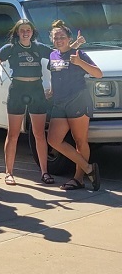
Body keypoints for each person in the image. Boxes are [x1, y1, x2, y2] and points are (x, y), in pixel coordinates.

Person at [0, 19, 54, 185]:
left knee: (39, 134)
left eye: (28, 30)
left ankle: (45, 172)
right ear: (17, 32)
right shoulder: (10, 48)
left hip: (36, 90)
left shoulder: (39, 47)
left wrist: (74, 46)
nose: (25, 33)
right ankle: (9, 173)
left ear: (32, 32)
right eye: (22, 30)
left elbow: (59, 55)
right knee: (13, 134)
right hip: (18, 89)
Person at [47, 20, 102, 192]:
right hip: (59, 102)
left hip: (77, 100)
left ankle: (78, 178)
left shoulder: (79, 54)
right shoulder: (52, 55)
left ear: (69, 38)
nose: (59, 40)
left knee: (80, 140)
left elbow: (98, 74)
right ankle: (88, 168)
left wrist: (80, 62)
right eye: (56, 37)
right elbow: (55, 75)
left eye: (62, 37)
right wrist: (51, 91)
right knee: (53, 140)